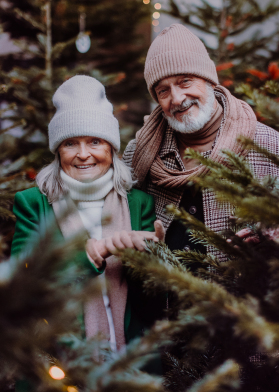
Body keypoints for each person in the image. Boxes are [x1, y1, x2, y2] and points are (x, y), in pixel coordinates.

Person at [11, 75, 164, 354]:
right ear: (58, 150)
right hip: (60, 356)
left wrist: (152, 258)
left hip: (129, 354)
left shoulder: (138, 202)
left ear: (111, 147)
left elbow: (149, 295)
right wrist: (94, 252)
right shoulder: (32, 203)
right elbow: (24, 278)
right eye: (71, 143)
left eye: (95, 141)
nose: (83, 154)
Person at [122, 24, 279, 259]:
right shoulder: (139, 153)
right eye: (163, 91)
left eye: (185, 81)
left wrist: (270, 241)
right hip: (162, 296)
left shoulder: (270, 148)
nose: (177, 98)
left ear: (209, 81)